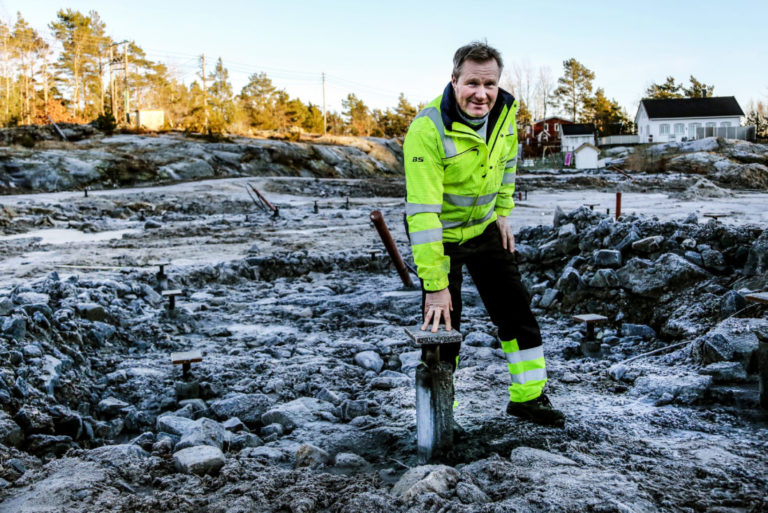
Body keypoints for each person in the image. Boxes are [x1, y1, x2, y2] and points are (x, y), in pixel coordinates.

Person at [403, 41, 564, 427]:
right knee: (442, 328)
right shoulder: (426, 130)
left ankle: (528, 399)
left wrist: (503, 213)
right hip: (441, 239)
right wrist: (436, 283)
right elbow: (423, 215)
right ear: (454, 81)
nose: (481, 93)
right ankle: (443, 415)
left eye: (489, 84)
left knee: (518, 313)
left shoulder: (505, 113)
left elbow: (508, 164)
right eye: (472, 83)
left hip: (485, 230)